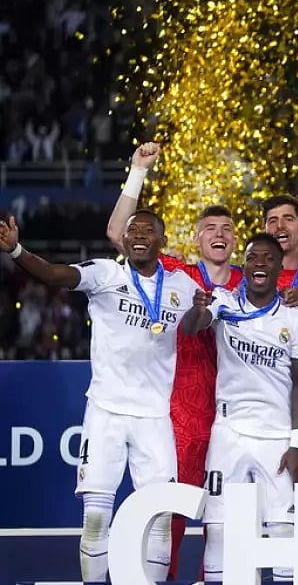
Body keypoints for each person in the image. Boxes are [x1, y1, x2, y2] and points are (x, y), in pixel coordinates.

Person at [2, 210, 195, 581]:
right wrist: (16, 252)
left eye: (147, 231)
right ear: (123, 240)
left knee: (160, 516)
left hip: (155, 416)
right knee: (95, 516)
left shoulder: (182, 286)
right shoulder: (106, 273)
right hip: (106, 411)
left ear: (162, 241)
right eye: (132, 230)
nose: (138, 236)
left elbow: (207, 315)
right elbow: (54, 274)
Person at [104, 141, 244, 578]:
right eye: (210, 228)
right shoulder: (176, 275)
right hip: (180, 412)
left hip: (236, 416)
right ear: (197, 239)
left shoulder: (255, 281)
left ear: (235, 239)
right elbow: (116, 234)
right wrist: (138, 170)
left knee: (229, 518)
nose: (219, 234)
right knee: (171, 513)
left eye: (226, 228)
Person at [179, 233, 298, 583]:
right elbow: (192, 328)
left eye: (268, 259)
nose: (260, 264)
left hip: (276, 438)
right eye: (253, 258)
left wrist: (296, 444)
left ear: (277, 268)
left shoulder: (297, 319)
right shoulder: (224, 302)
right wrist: (198, 309)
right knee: (220, 528)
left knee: (284, 532)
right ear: (246, 264)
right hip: (229, 435)